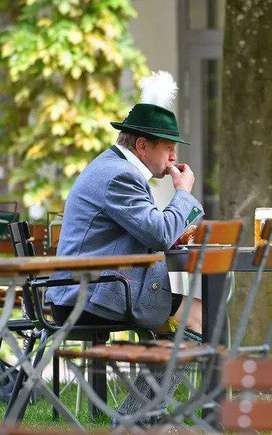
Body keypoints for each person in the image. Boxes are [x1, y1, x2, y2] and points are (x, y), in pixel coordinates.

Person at [45, 71, 204, 416]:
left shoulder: (115, 168)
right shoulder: (120, 175)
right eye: (168, 147)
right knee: (198, 317)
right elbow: (160, 234)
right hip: (89, 294)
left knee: (180, 319)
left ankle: (146, 414)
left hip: (97, 286)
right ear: (142, 146)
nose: (174, 157)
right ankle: (137, 418)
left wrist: (170, 223)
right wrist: (183, 194)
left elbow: (148, 231)